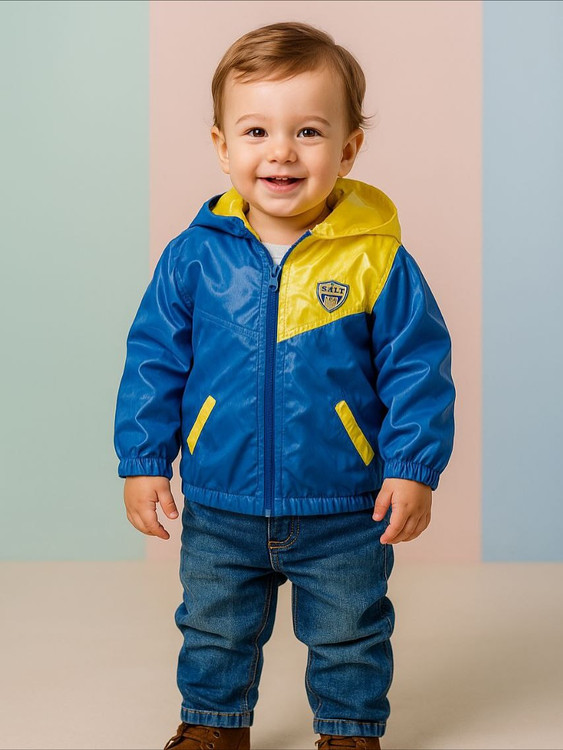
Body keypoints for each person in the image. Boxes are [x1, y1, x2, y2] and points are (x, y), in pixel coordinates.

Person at [114, 20, 456, 750]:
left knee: (351, 629)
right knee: (212, 625)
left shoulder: (376, 261)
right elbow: (153, 360)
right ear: (221, 146)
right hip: (221, 500)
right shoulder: (194, 257)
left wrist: (412, 467)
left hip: (344, 504)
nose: (281, 152)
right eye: (256, 131)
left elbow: (418, 369)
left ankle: (349, 731)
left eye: (307, 131)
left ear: (347, 149)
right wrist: (143, 460)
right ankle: (212, 726)